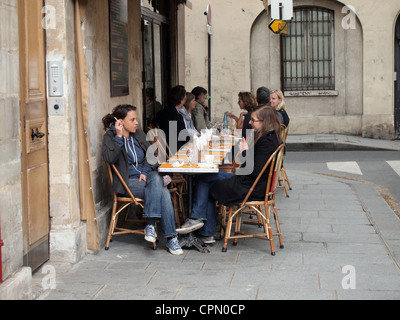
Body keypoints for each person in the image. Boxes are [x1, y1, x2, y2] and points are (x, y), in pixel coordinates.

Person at [177, 106, 282, 243]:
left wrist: (245, 152)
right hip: (251, 183)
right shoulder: (269, 137)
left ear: (264, 122)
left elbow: (255, 171)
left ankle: (203, 227)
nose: (249, 122)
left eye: (253, 120)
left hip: (252, 188)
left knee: (207, 182)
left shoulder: (267, 142)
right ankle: (200, 223)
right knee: (205, 177)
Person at [102, 104, 195, 255]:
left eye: (136, 119)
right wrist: (119, 137)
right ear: (120, 122)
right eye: (132, 119)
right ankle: (170, 237)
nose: (136, 122)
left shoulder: (138, 134)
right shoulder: (111, 137)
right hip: (127, 183)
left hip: (147, 178)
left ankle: (151, 226)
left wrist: (144, 171)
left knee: (157, 181)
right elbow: (109, 158)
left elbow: (150, 157)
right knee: (163, 191)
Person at [156, 86, 188, 153]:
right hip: (174, 149)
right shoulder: (176, 116)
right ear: (181, 100)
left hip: (164, 147)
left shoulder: (160, 113)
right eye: (185, 100)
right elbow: (184, 137)